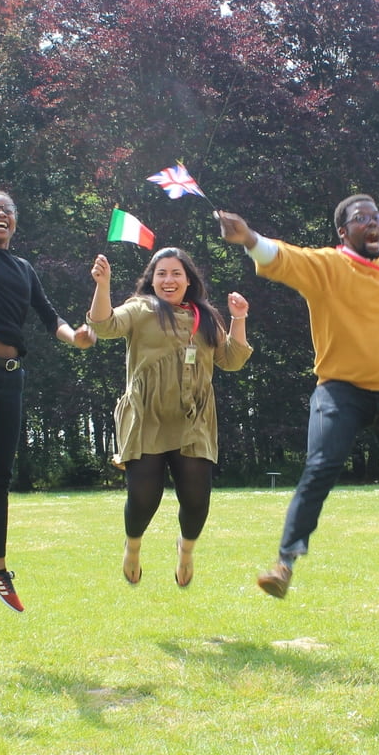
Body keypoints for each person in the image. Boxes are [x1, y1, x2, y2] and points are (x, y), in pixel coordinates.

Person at [216, 197, 379, 598]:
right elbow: (282, 256)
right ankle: (284, 563)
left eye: (377, 217)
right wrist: (248, 236)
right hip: (339, 392)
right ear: (344, 232)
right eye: (361, 220)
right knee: (321, 467)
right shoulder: (327, 266)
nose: (372, 224)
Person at [0, 109, 95, 624]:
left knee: (1, 476)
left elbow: (51, 318)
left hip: (11, 379)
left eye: (7, 210)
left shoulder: (25, 269)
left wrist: (76, 337)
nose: (1, 214)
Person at [88, 248, 253, 587]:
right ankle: (132, 547)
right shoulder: (140, 308)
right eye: (161, 273)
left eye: (176, 273)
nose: (169, 280)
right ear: (152, 279)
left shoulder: (204, 316)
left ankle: (186, 550)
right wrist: (102, 285)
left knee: (196, 500)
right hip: (148, 418)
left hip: (194, 420)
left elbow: (232, 360)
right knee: (143, 499)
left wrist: (238, 318)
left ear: (188, 280)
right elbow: (104, 325)